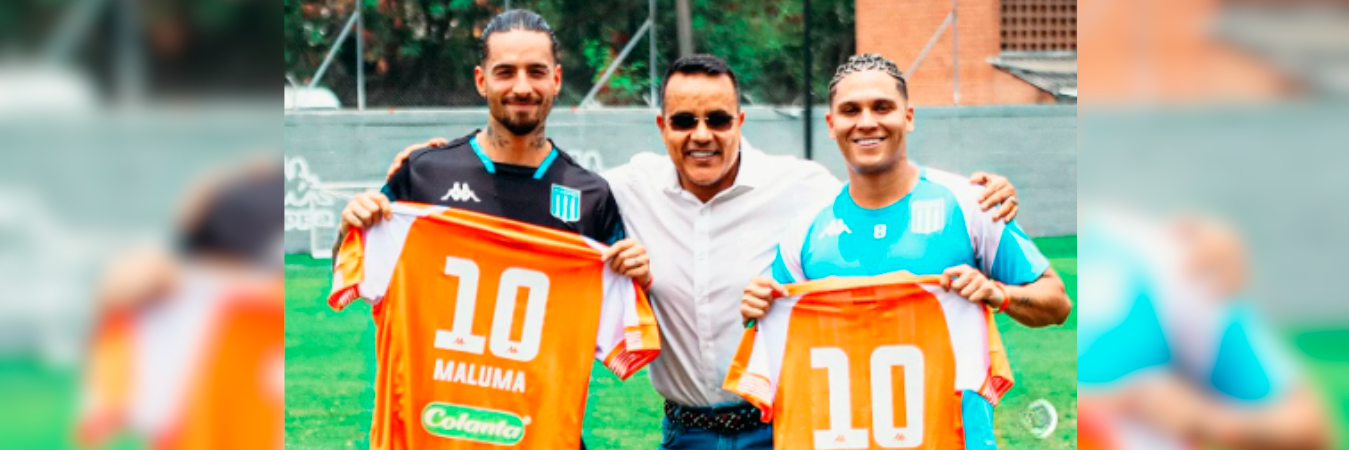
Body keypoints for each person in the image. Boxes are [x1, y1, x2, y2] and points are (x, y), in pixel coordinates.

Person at [387, 54, 1027, 449]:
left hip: (781, 428)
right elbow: (533, 202)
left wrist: (977, 190)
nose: (702, 135)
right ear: (661, 126)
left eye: (718, 119)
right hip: (685, 430)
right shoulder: (621, 190)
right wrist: (440, 163)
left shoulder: (803, 188)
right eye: (685, 121)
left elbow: (881, 187)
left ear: (740, 122)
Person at [333, 10, 649, 450]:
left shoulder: (591, 196)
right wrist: (352, 226)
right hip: (434, 433)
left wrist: (639, 276)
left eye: (536, 71)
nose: (522, 87)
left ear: (556, 79)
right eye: (506, 72)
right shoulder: (424, 174)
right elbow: (354, 268)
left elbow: (626, 325)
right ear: (482, 80)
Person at [737, 53, 1071, 444]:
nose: (866, 122)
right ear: (831, 124)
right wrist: (754, 303)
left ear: (908, 116)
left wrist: (998, 294)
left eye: (882, 107)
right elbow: (764, 315)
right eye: (850, 110)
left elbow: (1057, 303)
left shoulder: (969, 204)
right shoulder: (807, 229)